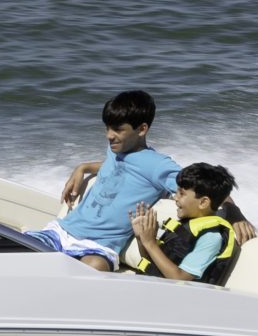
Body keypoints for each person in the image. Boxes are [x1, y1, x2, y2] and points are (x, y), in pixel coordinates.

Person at [23, 90, 181, 272]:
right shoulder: (117, 149)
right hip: (62, 232)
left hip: (100, 246)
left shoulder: (158, 165)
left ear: (142, 129)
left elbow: (195, 186)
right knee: (18, 248)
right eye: (107, 128)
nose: (109, 135)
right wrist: (83, 167)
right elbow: (113, 167)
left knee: (94, 267)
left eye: (118, 129)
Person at [127, 163, 243, 284]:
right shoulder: (187, 224)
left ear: (203, 203)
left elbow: (180, 279)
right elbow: (150, 261)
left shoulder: (211, 238)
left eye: (181, 193)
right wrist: (142, 238)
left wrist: (150, 243)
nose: (175, 197)